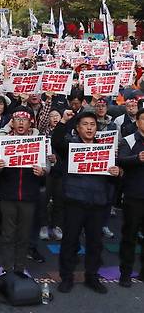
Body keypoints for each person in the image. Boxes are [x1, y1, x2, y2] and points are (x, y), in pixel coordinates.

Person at [52, 110, 121, 294]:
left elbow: (114, 177)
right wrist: (63, 121)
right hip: (74, 201)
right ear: (77, 128)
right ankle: (67, 277)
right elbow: (56, 142)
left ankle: (92, 276)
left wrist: (116, 173)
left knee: (95, 243)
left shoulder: (105, 149)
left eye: (92, 125)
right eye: (85, 124)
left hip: (98, 202)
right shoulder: (71, 146)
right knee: (70, 241)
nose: (89, 128)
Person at [0, 107, 47, 273]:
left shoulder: (38, 141)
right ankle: (8, 269)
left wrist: (43, 170)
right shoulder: (4, 140)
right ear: (12, 123)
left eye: (24, 119)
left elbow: (47, 165)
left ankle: (20, 269)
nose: (21, 122)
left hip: (29, 195)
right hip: (8, 194)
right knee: (8, 235)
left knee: (24, 236)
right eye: (17, 120)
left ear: (30, 122)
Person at [117, 108, 144, 287]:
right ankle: (125, 273)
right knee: (130, 236)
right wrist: (138, 158)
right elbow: (121, 159)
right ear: (138, 121)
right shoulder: (130, 139)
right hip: (134, 195)